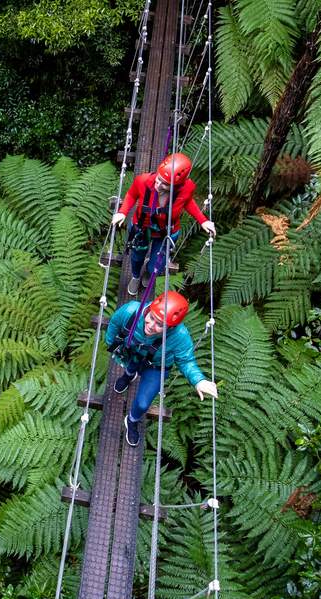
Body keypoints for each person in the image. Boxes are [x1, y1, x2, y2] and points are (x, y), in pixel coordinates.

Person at [105, 290, 218, 446]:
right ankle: (128, 376)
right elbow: (114, 324)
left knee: (143, 403)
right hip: (133, 351)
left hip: (156, 367)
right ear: (150, 309)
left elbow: (186, 360)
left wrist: (198, 381)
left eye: (160, 325)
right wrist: (111, 343)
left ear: (171, 327)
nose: (151, 326)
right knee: (130, 366)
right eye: (151, 317)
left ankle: (131, 420)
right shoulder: (131, 311)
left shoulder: (180, 336)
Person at [111, 153, 217, 296]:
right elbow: (131, 195)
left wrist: (203, 220)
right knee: (136, 257)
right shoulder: (143, 181)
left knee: (157, 265)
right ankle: (136, 276)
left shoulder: (186, 188)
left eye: (165, 184)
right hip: (141, 228)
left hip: (166, 231)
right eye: (158, 179)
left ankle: (149, 273)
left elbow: (188, 202)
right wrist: (122, 212)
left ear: (177, 185)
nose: (158, 185)